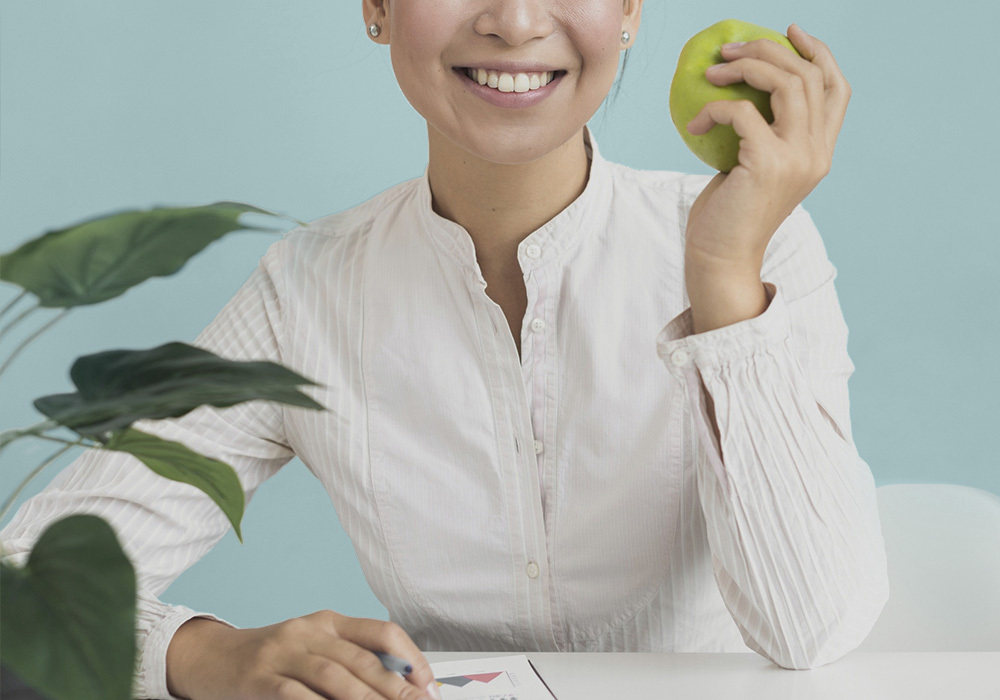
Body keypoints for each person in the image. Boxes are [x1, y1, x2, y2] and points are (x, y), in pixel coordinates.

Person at [1, 1, 890, 699]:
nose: (514, 19)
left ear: (629, 8)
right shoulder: (309, 291)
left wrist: (724, 275)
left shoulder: (763, 250)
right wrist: (207, 656)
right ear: (376, 7)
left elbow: (808, 631)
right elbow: (20, 588)